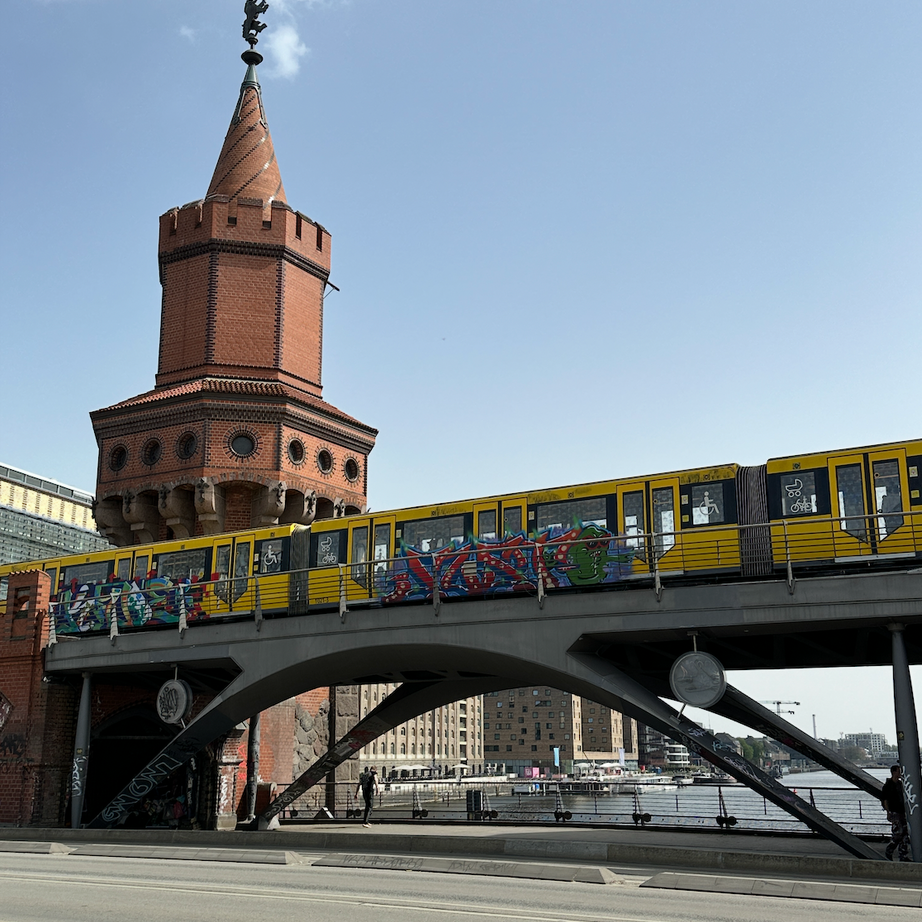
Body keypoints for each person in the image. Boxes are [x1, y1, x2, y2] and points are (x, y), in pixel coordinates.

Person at [881, 763, 910, 861]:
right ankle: (890, 849)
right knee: (898, 832)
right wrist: (888, 812)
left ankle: (903, 855)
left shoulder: (900, 784)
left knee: (905, 834)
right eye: (898, 771)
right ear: (894, 772)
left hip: (902, 811)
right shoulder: (888, 786)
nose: (900, 773)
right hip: (894, 811)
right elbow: (885, 799)